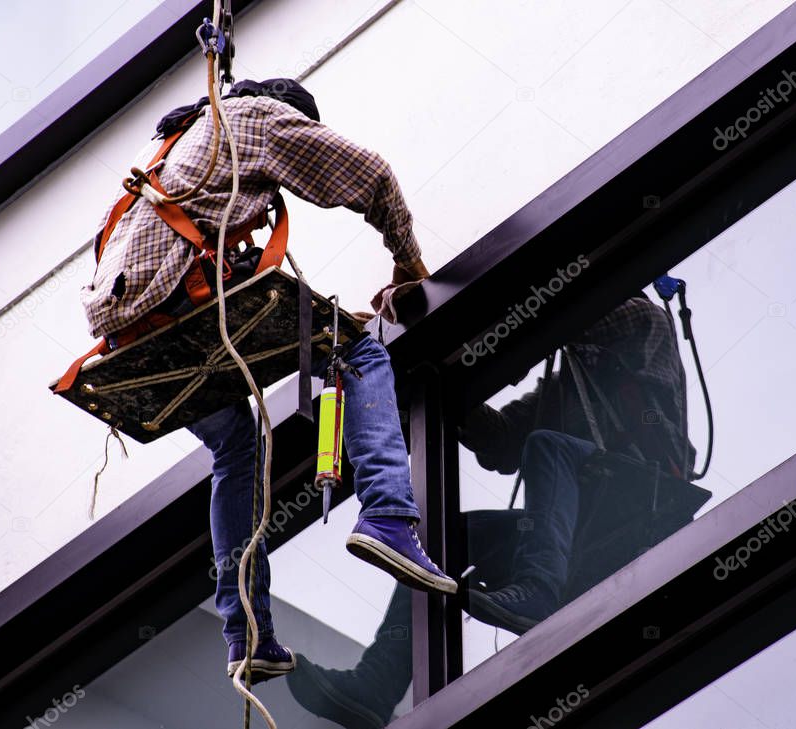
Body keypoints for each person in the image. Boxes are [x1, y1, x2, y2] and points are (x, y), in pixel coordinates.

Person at [80, 78, 457, 683]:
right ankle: (387, 514)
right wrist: (409, 264)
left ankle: (245, 635)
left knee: (237, 448)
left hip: (135, 345)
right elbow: (373, 177)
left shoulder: (169, 157)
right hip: (189, 312)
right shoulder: (253, 118)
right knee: (361, 353)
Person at [287, 293, 696, 728]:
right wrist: (433, 387)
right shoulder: (564, 387)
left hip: (643, 500)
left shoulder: (641, 316)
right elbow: (501, 442)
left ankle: (537, 590)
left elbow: (559, 318)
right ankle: (375, 686)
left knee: (547, 447)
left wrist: (435, 329)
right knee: (439, 541)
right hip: (578, 528)